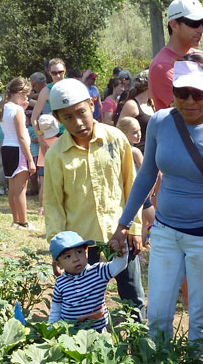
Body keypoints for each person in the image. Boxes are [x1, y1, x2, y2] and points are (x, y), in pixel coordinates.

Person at [110, 59, 203, 364]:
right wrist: (124, 222)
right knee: (157, 312)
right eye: (181, 92)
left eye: (197, 94)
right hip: (166, 231)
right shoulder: (160, 122)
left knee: (200, 313)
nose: (188, 101)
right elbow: (146, 175)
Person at [44, 79, 145, 318]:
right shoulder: (56, 155)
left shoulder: (116, 139)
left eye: (81, 112)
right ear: (58, 119)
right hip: (78, 243)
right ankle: (85, 342)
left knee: (132, 293)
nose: (78, 122)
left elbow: (131, 185)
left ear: (92, 105)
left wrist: (136, 227)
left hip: (118, 233)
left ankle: (139, 344)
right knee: (81, 298)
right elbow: (54, 205)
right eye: (68, 117)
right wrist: (57, 248)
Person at [48, 231, 130, 332]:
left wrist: (121, 251)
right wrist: (50, 328)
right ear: (59, 264)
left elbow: (119, 265)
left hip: (97, 330)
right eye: (68, 256)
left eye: (79, 252)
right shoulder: (60, 282)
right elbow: (56, 309)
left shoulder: (98, 271)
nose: (75, 259)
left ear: (86, 252)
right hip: (70, 332)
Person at [150, 0, 203, 111]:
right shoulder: (162, 67)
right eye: (194, 23)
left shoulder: (202, 57)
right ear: (174, 25)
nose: (201, 29)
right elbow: (198, 110)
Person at [0, 77, 37, 227]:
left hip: (6, 148)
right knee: (21, 189)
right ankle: (24, 223)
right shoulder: (17, 110)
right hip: (19, 149)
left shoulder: (3, 107)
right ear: (20, 92)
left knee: (12, 188)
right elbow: (22, 136)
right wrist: (30, 160)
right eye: (26, 94)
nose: (26, 98)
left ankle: (16, 220)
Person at [117, 72, 155, 146]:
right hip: (136, 152)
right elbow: (119, 130)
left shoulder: (151, 104)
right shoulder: (131, 105)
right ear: (148, 86)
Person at [30, 58, 66, 135]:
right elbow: (34, 118)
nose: (58, 75)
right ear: (49, 73)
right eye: (54, 73)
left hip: (75, 131)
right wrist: (40, 137)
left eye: (61, 72)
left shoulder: (73, 85)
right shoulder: (46, 91)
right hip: (57, 133)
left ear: (65, 70)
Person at [34, 114, 60, 215]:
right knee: (54, 187)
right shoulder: (57, 141)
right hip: (53, 165)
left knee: (43, 187)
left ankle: (41, 207)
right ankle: (53, 207)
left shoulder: (41, 139)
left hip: (41, 164)